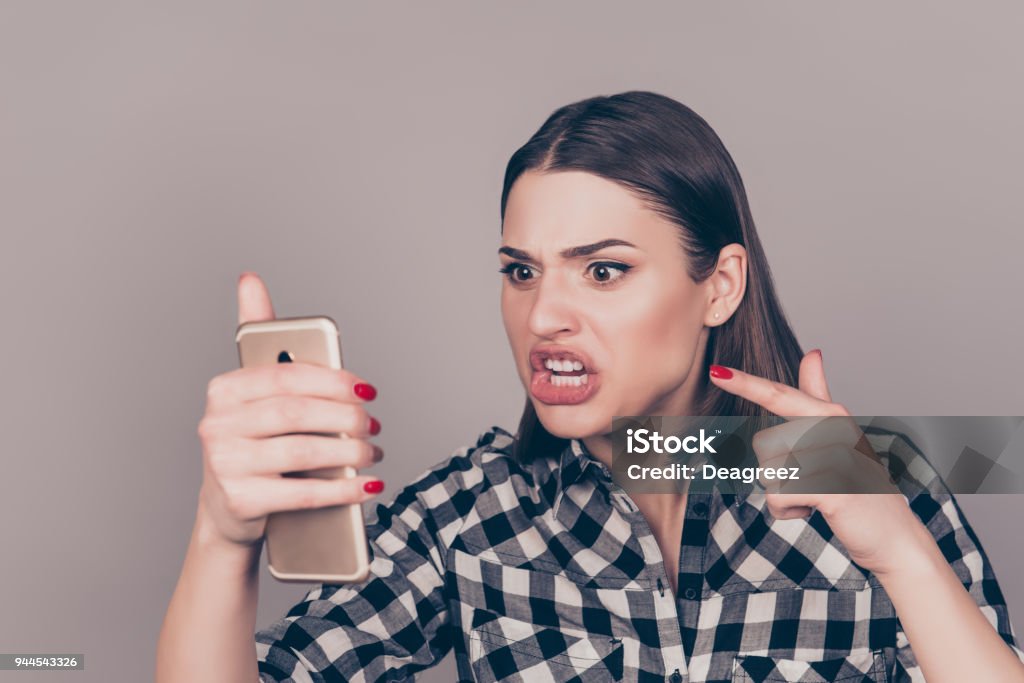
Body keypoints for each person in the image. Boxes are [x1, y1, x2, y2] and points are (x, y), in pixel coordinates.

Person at [156, 92, 1024, 682]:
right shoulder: (472, 516)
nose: (543, 317)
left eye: (603, 270)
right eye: (521, 271)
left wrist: (900, 553)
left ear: (718, 285)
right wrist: (221, 537)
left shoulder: (875, 476)